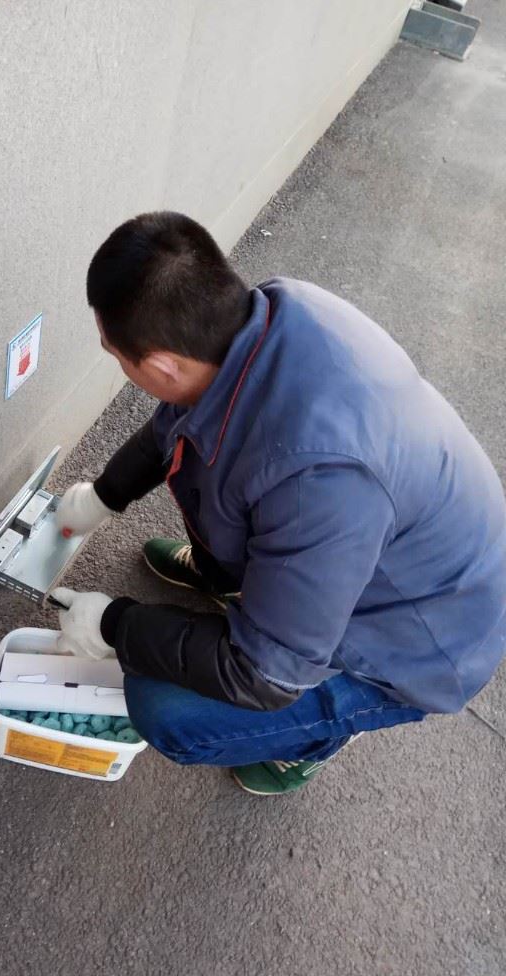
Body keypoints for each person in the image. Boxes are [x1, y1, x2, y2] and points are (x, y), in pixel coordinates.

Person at [52, 212, 506, 795]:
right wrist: (103, 496)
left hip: (418, 640)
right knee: (220, 480)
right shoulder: (266, 316)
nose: (114, 360)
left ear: (162, 365)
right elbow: (177, 418)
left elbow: (263, 675)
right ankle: (243, 588)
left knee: (163, 706)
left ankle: (314, 739)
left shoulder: (316, 482)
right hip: (378, 543)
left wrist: (114, 624)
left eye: (115, 354)